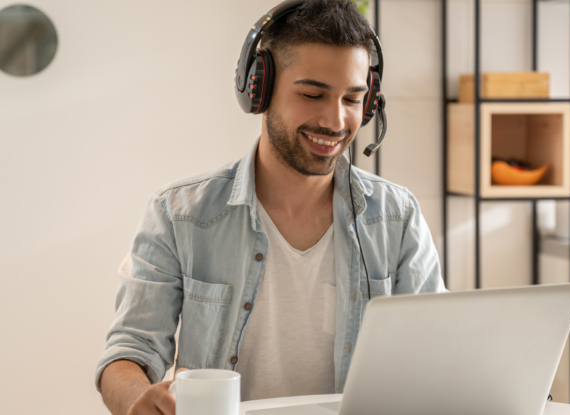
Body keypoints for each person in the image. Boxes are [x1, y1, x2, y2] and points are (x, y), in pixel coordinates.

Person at [95, 1, 446, 414]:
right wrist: (138, 398)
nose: (336, 121)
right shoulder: (179, 214)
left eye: (353, 99)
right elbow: (128, 352)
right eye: (312, 94)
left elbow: (436, 352)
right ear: (259, 90)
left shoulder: (397, 217)